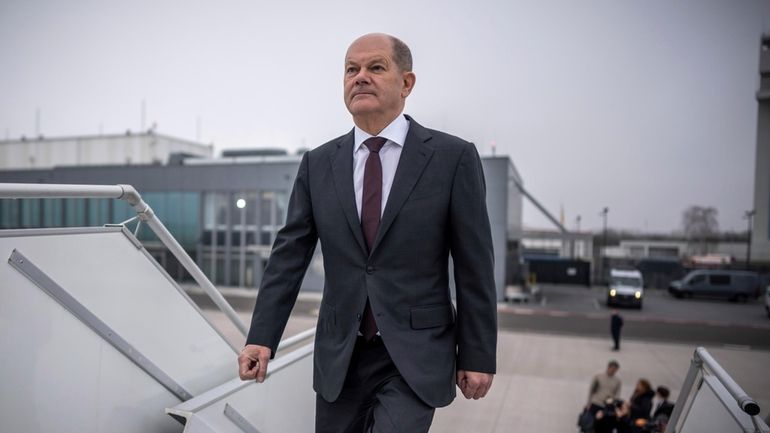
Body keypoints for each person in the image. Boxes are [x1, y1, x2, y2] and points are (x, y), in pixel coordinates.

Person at [237, 33, 497, 433]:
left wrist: (477, 354)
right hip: (340, 355)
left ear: (406, 83)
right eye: (351, 70)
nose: (360, 77)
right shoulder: (318, 164)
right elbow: (288, 258)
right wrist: (262, 337)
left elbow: (474, 265)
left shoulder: (453, 158)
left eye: (375, 68)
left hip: (414, 356)